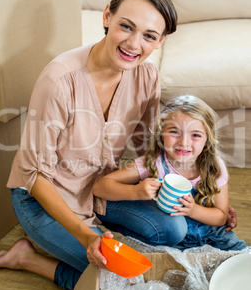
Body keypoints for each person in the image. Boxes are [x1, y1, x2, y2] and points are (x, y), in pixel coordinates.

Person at [0, 0, 179, 290]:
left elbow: (146, 149)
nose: (133, 44)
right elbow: (34, 177)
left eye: (149, 36)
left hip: (100, 186)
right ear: (107, 17)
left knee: (174, 229)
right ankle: (27, 259)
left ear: (160, 42)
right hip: (43, 198)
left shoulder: (147, 75)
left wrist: (201, 191)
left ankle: (99, 233)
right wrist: (85, 235)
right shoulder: (59, 81)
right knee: (121, 285)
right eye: (126, 26)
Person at [93, 94, 247, 251]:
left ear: (208, 139)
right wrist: (136, 191)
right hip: (172, 240)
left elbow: (221, 216)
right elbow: (100, 187)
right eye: (175, 132)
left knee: (243, 258)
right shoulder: (153, 163)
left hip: (213, 235)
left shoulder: (215, 167)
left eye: (195, 135)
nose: (184, 142)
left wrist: (193, 210)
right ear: (161, 134)